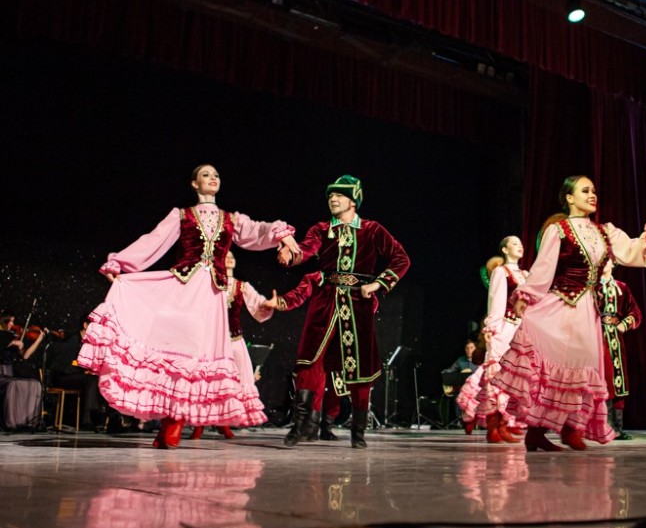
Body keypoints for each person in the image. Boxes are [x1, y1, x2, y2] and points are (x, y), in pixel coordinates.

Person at [77, 164, 300, 449]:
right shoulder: (181, 215)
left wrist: (283, 235)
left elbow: (258, 231)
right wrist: (120, 262)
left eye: (216, 175)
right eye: (206, 175)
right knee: (179, 354)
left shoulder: (231, 219)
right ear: (194, 183)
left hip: (212, 295)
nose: (213, 178)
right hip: (184, 288)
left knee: (198, 357)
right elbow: (153, 241)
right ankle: (170, 424)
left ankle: (173, 424)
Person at [492, 175, 646, 452]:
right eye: (585, 191)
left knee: (583, 368)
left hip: (588, 310)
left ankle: (571, 428)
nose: (592, 195)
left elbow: (633, 252)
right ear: (569, 198)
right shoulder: (558, 230)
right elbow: (543, 268)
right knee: (559, 367)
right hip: (560, 305)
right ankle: (536, 432)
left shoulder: (605, 231)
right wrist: (525, 295)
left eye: (593, 190)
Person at [271, 175, 410, 449]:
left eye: (339, 195)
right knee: (309, 362)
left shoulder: (371, 229)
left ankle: (358, 432)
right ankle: (300, 426)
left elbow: (401, 258)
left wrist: (378, 284)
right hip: (325, 302)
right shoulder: (322, 229)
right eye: (330, 195)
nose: (333, 199)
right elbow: (306, 250)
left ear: (353, 200)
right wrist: (291, 255)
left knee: (360, 366)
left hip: (358, 305)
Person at [189, 250, 274, 441]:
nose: (229, 259)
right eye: (225, 256)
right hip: (212, 343)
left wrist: (268, 305)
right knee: (208, 383)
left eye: (232, 257)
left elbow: (258, 304)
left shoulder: (242, 286)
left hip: (234, 342)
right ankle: (200, 425)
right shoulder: (209, 284)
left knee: (233, 384)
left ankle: (224, 423)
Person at [456, 236, 528, 443]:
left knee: (516, 379)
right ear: (504, 249)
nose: (519, 246)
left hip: (521, 330)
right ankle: (494, 425)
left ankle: (507, 422)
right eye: (514, 243)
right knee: (497, 376)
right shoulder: (501, 272)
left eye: (520, 243)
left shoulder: (525, 275)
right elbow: (496, 300)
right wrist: (492, 327)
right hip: (504, 328)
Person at [596, 267, 642, 440]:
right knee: (606, 377)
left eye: (607, 259)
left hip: (615, 337)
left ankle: (618, 426)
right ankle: (606, 425)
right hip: (598, 335)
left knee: (618, 379)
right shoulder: (592, 286)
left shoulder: (621, 287)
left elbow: (635, 311)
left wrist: (625, 323)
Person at [44, 316, 107, 431]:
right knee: (90, 379)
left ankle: (95, 417)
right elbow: (66, 364)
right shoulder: (72, 341)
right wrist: (83, 368)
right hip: (62, 377)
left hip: (75, 375)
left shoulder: (90, 343)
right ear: (85, 325)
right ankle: (89, 418)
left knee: (96, 379)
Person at [0, 312, 44, 432]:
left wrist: (38, 340)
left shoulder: (12, 336)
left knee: (34, 384)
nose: (12, 324)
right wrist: (12, 342)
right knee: (12, 385)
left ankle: (26, 421)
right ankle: (10, 422)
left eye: (13, 321)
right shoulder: (5, 337)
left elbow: (25, 355)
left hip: (8, 373)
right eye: (9, 321)